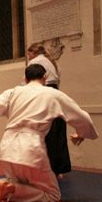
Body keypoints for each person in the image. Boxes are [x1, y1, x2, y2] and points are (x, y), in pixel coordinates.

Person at [0, 64, 99, 202]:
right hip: (31, 148)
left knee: (24, 183)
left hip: (7, 147)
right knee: (52, 194)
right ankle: (9, 188)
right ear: (45, 78)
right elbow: (82, 117)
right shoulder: (53, 94)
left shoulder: (12, 92)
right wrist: (81, 133)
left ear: (25, 78)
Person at [26, 42, 71, 178]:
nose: (28, 57)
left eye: (29, 54)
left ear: (33, 53)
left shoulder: (35, 62)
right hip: (55, 93)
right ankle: (59, 170)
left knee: (44, 131)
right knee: (58, 132)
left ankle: (45, 168)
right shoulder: (53, 63)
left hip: (42, 93)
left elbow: (28, 82)